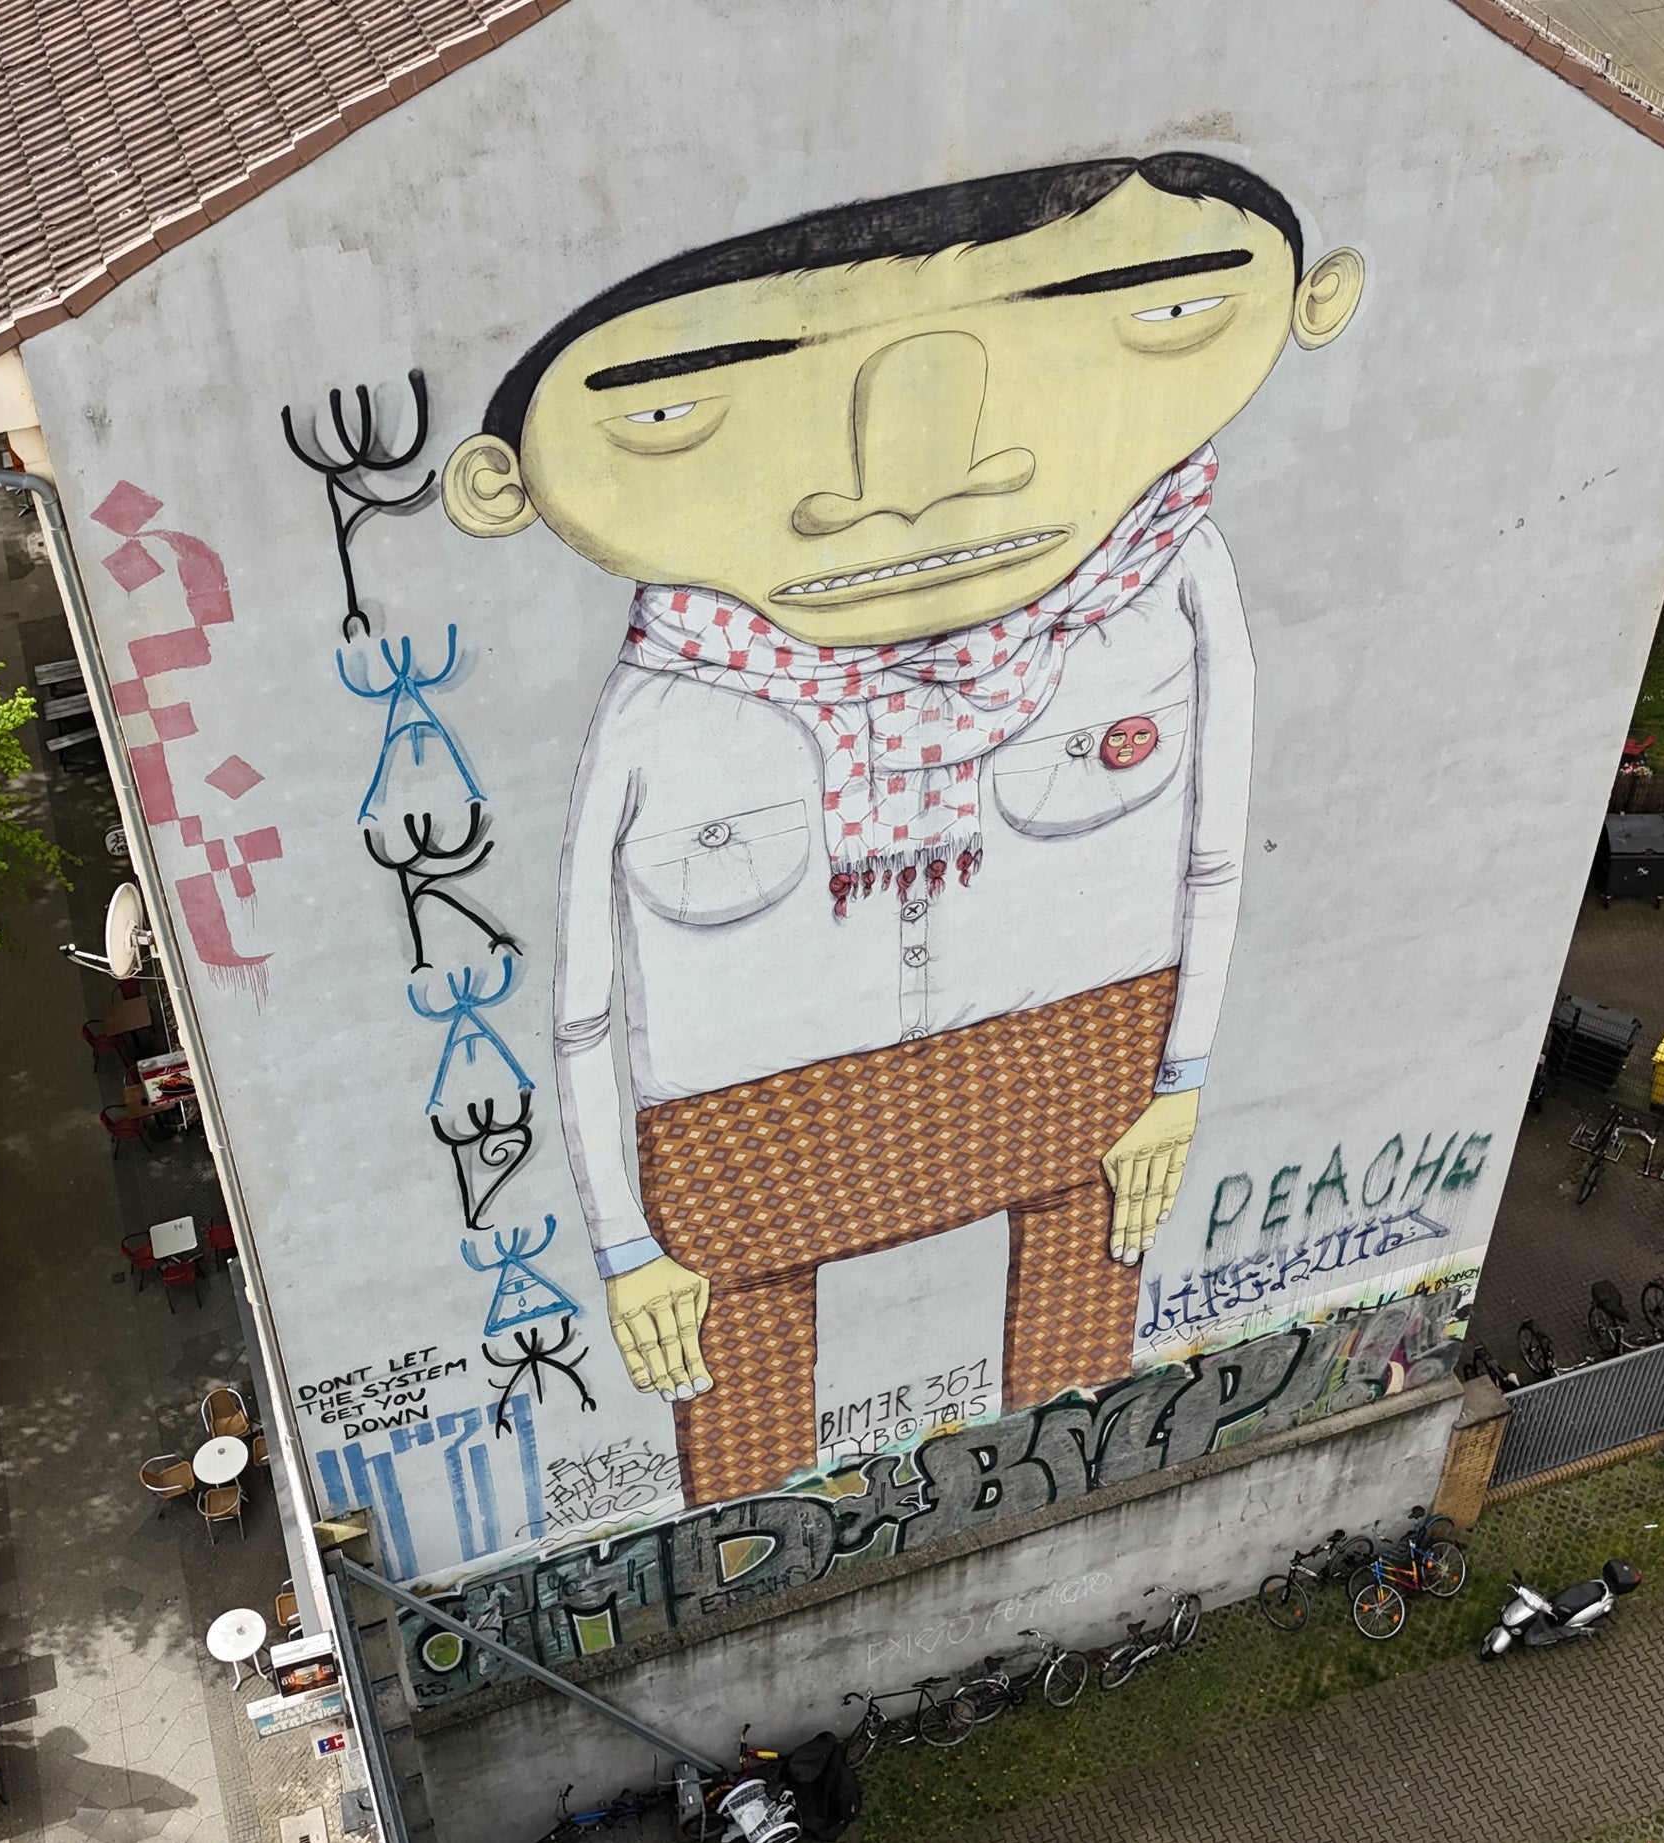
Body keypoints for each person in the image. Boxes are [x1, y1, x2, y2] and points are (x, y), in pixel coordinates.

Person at [444, 152, 1364, 1503]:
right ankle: (754, 1592)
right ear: (497, 482)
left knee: (1079, 1387)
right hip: (748, 1126)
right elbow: (585, 1004)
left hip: (1082, 1047)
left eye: (1157, 312)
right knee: (740, 1448)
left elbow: (1213, 842)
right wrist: (629, 1247)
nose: (915, 479)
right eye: (677, 409)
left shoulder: (1165, 577)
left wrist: (1178, 1083)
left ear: (1311, 300)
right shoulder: (663, 705)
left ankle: (1071, 1532)